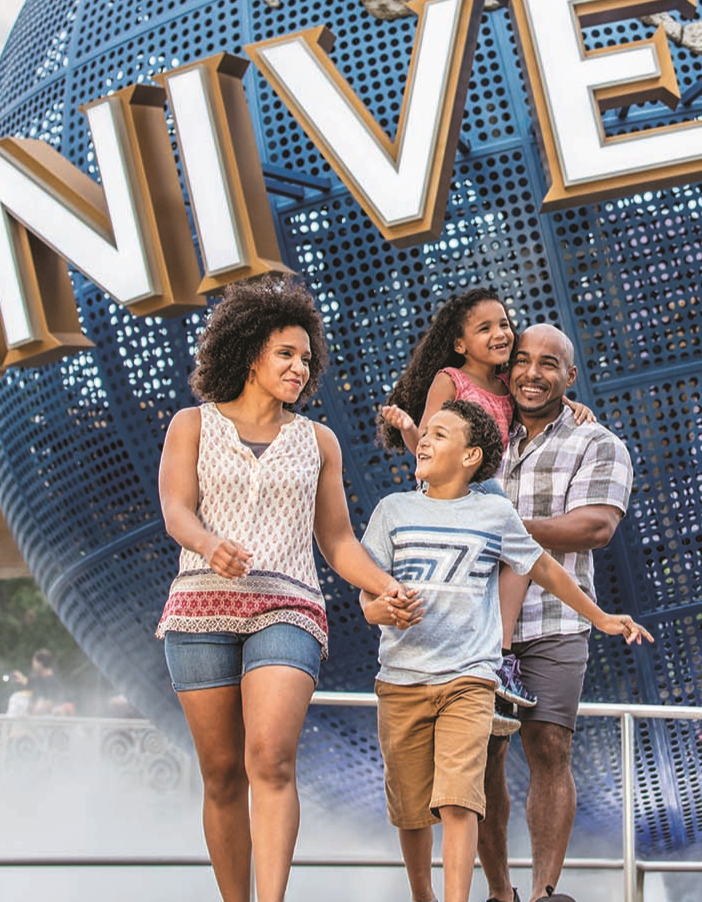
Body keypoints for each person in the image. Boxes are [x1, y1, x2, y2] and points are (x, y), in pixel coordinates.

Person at [157, 272, 412, 902]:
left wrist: (388, 585)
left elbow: (338, 541)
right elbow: (174, 510)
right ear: (248, 354)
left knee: (269, 757)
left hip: (288, 606)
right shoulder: (192, 424)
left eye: (306, 357)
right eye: (285, 354)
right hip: (199, 609)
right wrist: (208, 544)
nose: (300, 367)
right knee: (220, 775)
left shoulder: (317, 441)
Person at [372, 324, 634, 902]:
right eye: (521, 361)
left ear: (571, 378)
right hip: (473, 627)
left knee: (549, 746)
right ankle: (498, 894)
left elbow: (595, 526)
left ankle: (543, 892)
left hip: (556, 620)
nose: (531, 372)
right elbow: (433, 485)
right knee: (480, 763)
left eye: (549, 364)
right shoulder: (483, 431)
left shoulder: (598, 443)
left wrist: (498, 528)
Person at [377, 289, 593, 717]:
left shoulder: (504, 385)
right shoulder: (450, 379)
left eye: (504, 324)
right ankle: (456, 667)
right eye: (486, 328)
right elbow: (426, 440)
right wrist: (405, 427)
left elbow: (538, 396)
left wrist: (570, 403)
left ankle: (499, 659)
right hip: (454, 490)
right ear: (460, 344)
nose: (501, 334)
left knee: (517, 557)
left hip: (486, 495)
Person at [10, 648, 73, 715]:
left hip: (44, 719)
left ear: (40, 664)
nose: (33, 665)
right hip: (34, 717)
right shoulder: (38, 678)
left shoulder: (53, 683)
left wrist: (36, 708)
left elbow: (53, 701)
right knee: (17, 697)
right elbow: (29, 683)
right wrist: (20, 676)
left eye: (34, 662)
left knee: (17, 698)